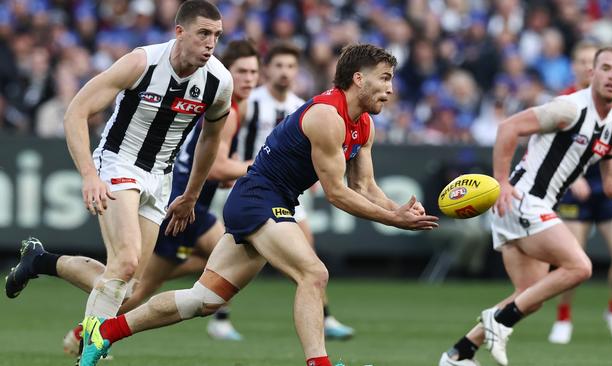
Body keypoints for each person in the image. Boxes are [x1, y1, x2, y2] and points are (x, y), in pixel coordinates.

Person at [78, 43, 438, 366]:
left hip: (269, 201)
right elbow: (337, 193)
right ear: (359, 79)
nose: (391, 89)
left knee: (203, 300)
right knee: (313, 274)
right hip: (258, 199)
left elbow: (364, 185)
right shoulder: (328, 116)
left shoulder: (364, 126)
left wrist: (399, 208)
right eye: (385, 79)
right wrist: (393, 219)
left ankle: (106, 333)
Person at [6, 0, 233, 360]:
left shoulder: (219, 81)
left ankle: (39, 261)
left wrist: (190, 194)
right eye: (203, 33)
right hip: (119, 162)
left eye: (217, 36)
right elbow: (76, 111)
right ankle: (90, 353)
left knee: (127, 289)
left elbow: (210, 138)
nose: (210, 43)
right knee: (126, 261)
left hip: (161, 179)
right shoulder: (142, 62)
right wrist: (89, 176)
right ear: (180, 32)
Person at [439, 45, 612, 366]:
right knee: (580, 267)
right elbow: (509, 127)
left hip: (534, 206)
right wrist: (502, 182)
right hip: (523, 198)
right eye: (605, 68)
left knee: (529, 295)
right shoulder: (569, 108)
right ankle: (501, 321)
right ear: (591, 73)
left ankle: (458, 354)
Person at [238, 42, 354, 340]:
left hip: (287, 188)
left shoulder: (300, 104)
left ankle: (325, 317)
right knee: (308, 267)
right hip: (249, 182)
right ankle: (221, 315)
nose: (285, 72)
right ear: (267, 69)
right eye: (278, 65)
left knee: (308, 257)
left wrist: (314, 176)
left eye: (291, 66)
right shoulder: (250, 102)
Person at [548, 41, 612, 344]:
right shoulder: (566, 102)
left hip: (606, 183)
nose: (609, 74)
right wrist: (573, 179)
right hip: (576, 187)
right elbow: (552, 148)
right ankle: (563, 316)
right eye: (599, 65)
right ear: (584, 68)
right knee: (573, 260)